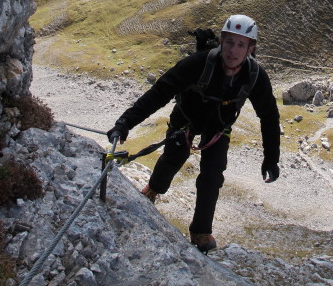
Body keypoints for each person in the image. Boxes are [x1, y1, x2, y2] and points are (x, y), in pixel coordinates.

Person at [107, 14, 281, 252]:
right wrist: (126, 122)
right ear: (221, 41)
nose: (233, 50)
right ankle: (153, 190)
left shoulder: (256, 76)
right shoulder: (199, 63)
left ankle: (201, 231)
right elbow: (161, 91)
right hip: (187, 118)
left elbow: (269, 117)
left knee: (212, 174)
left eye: (241, 44)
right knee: (173, 157)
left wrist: (271, 157)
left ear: (251, 49)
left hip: (219, 127)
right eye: (229, 42)